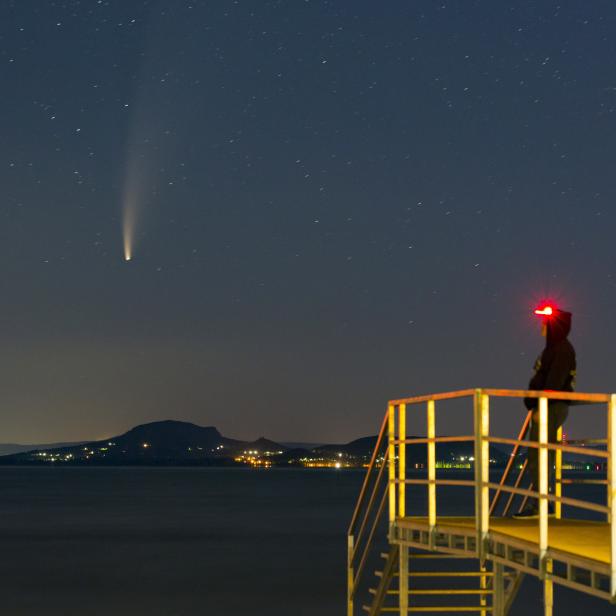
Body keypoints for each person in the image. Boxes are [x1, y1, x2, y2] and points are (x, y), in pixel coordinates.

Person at [513, 305, 576, 519]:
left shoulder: (562, 349)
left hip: (550, 407)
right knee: (539, 454)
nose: (541, 325)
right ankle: (540, 503)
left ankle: (540, 505)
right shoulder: (552, 349)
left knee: (538, 455)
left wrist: (541, 406)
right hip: (547, 407)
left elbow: (554, 382)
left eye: (545, 322)